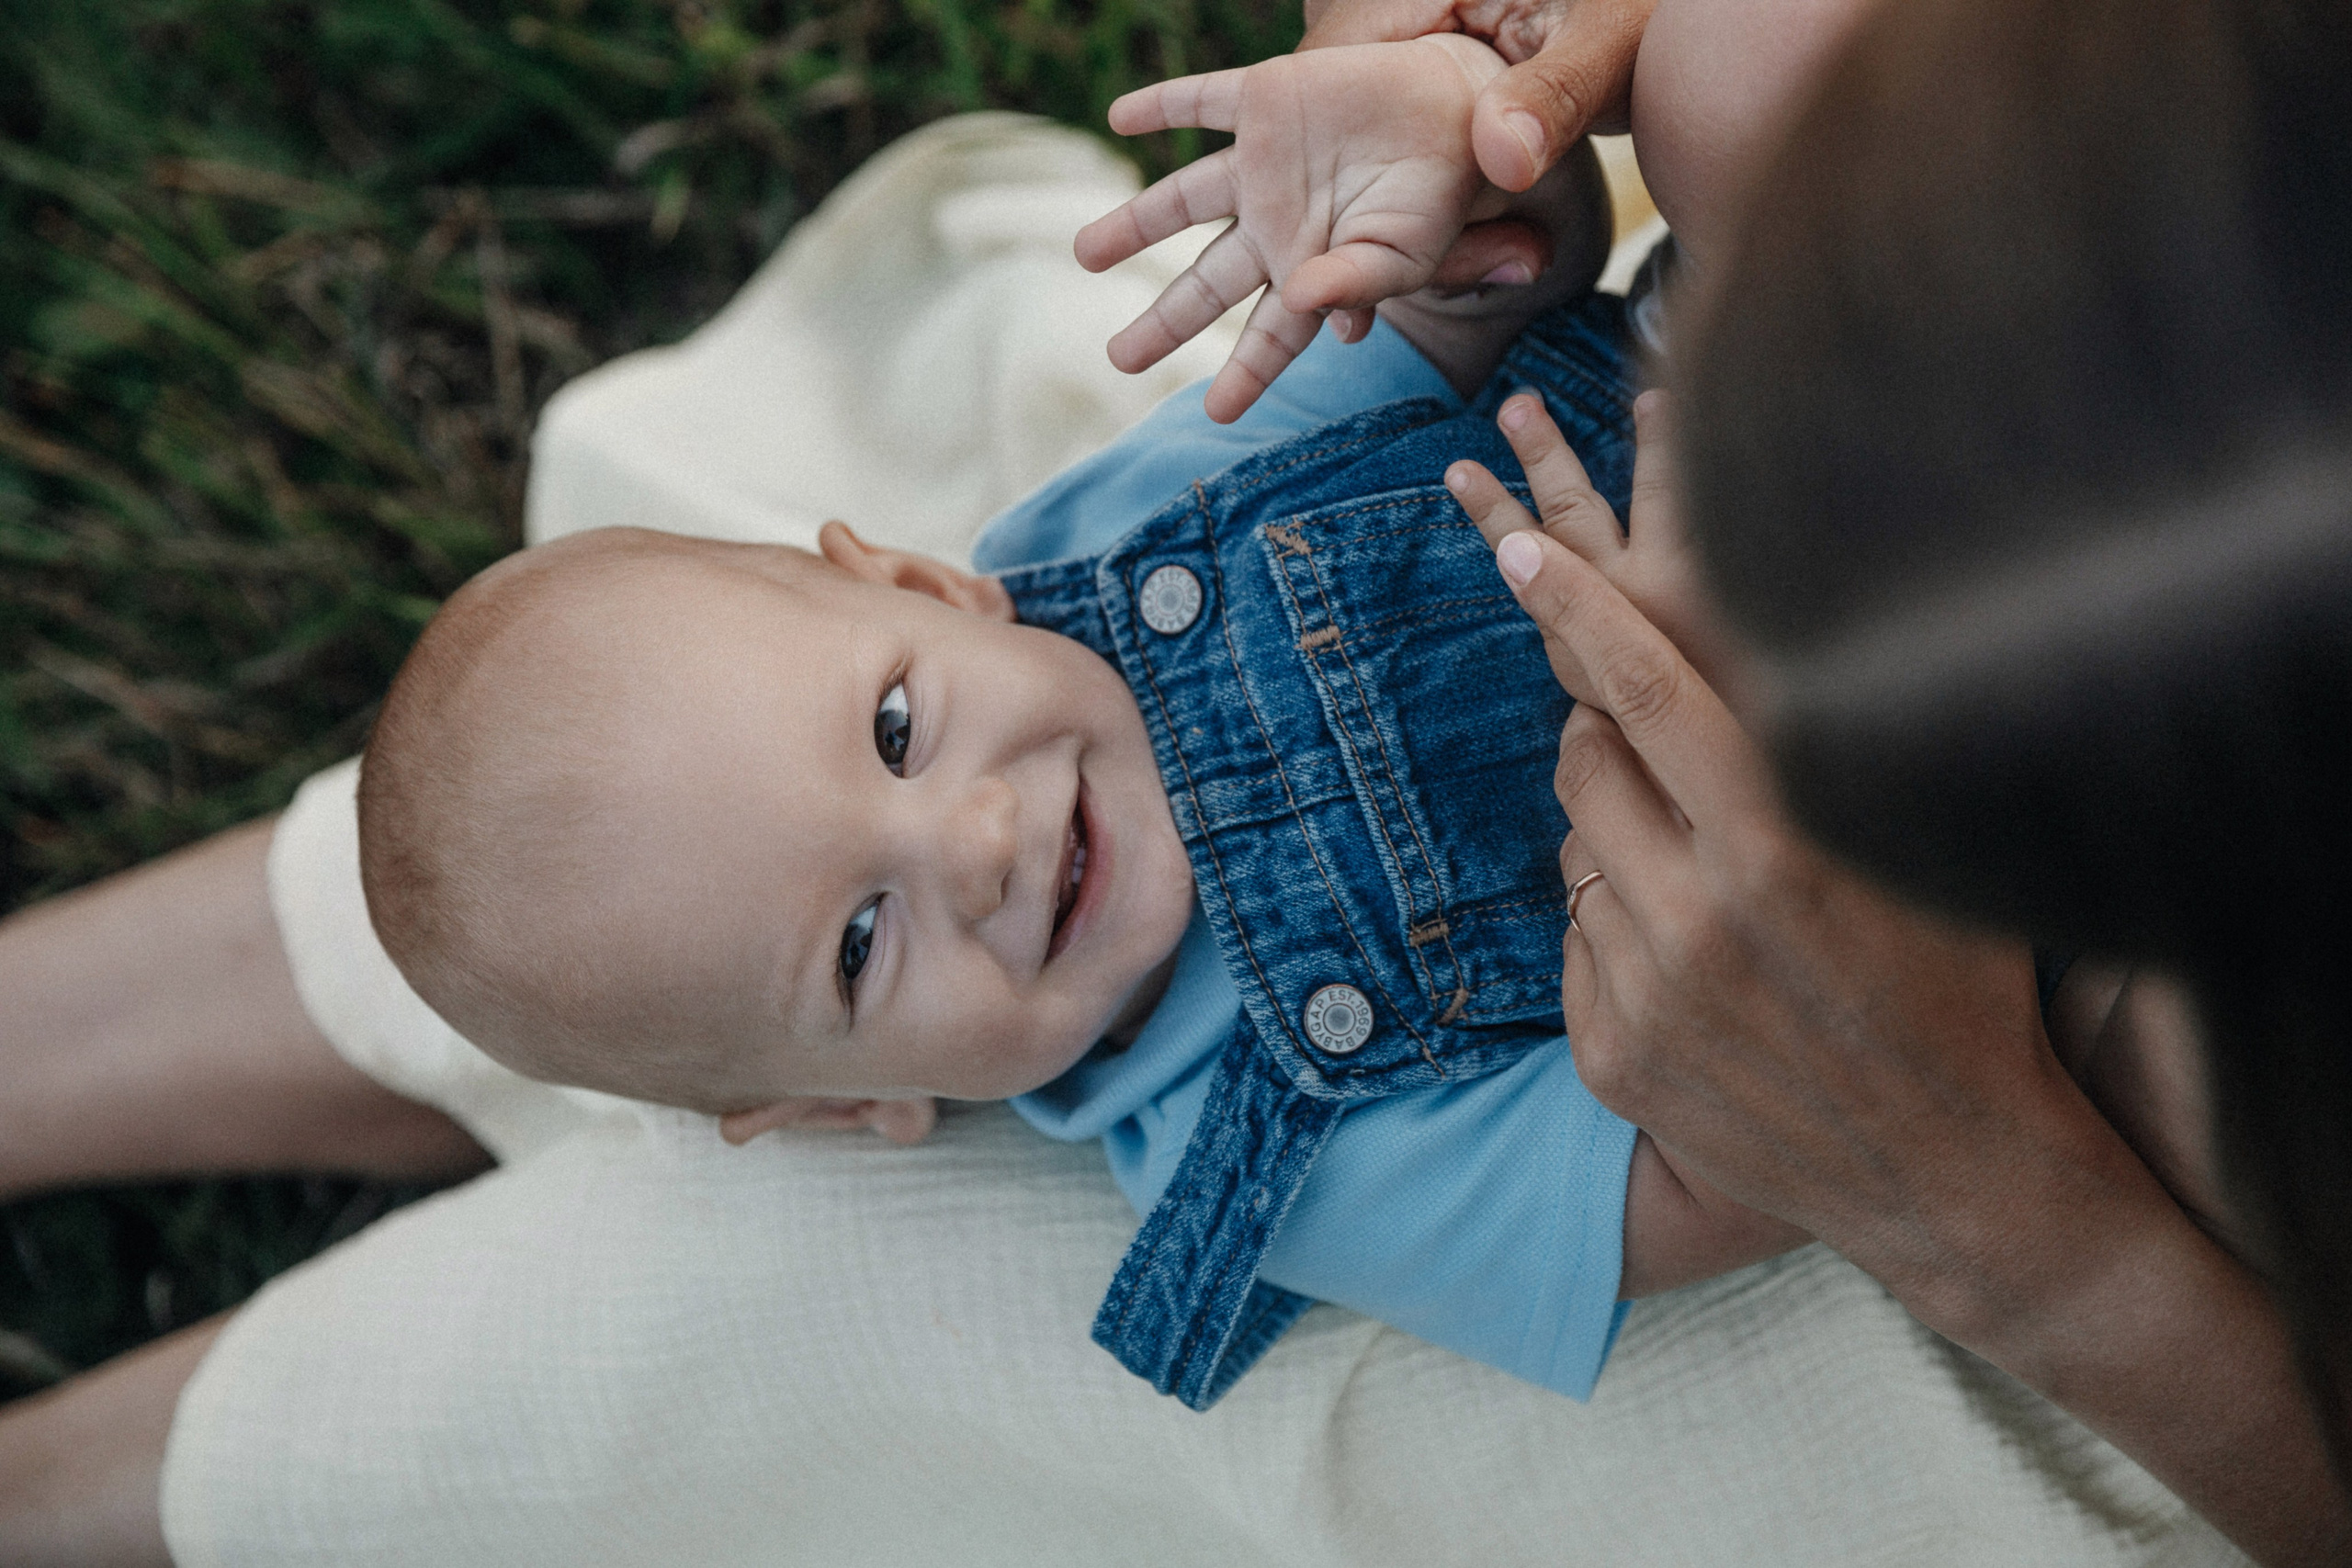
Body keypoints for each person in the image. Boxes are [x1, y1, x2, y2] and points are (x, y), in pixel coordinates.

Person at [348, 125, 1795, 1412]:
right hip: (1897, 762)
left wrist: (1452, 184)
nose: (975, 846)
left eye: (896, 730)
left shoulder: (1146, 530)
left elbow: (1487, 286)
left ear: (925, 585)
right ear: (860, 1109)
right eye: (860, 943)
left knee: (1728, 84)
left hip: (1779, 357)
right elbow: (1726, 1181)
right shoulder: (1285, 1169)